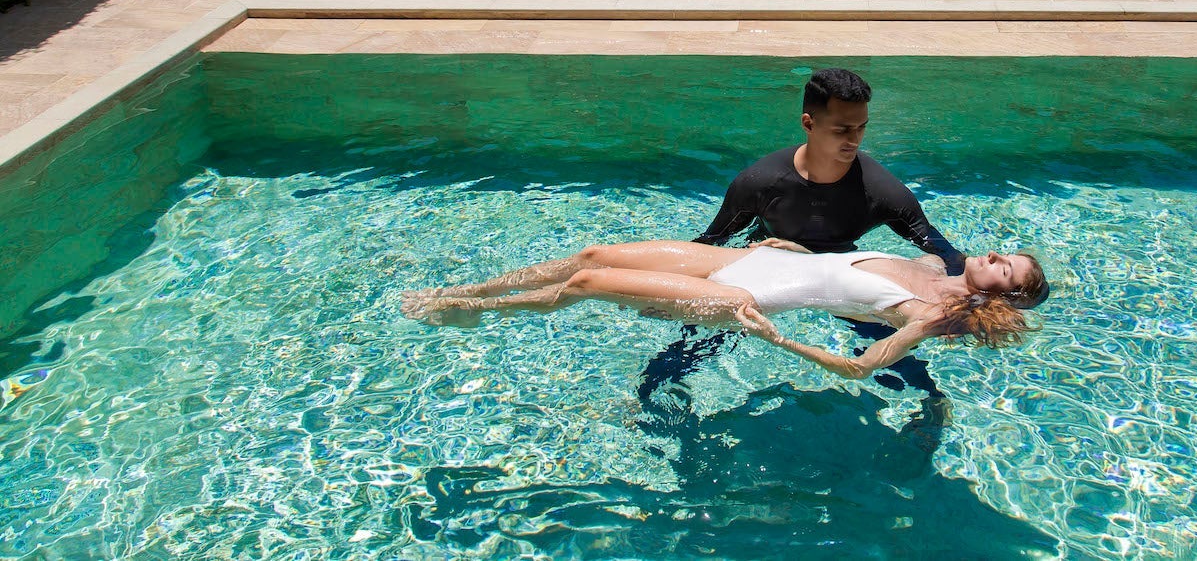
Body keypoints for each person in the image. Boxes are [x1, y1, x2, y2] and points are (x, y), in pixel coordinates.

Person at [400, 240, 1049, 380]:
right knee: (592, 251)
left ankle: (466, 310)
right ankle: (473, 288)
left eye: (1004, 268)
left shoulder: (930, 313)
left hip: (747, 299)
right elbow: (834, 264)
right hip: (754, 260)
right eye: (1003, 253)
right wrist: (788, 245)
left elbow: (859, 367)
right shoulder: (934, 266)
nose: (992, 256)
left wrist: (775, 340)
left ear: (1001, 293)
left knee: (589, 281)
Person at [696, 68, 964, 274]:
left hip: (841, 277)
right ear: (808, 124)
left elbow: (945, 254)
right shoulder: (760, 183)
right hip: (768, 265)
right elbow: (709, 244)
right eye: (842, 129)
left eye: (861, 127)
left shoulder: (882, 192)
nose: (855, 139)